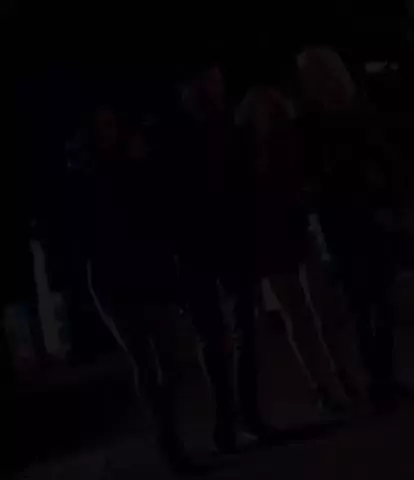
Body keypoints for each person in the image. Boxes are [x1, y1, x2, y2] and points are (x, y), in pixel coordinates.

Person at [172, 63, 280, 451]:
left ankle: (238, 417)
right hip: (207, 243)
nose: (214, 87)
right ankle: (235, 417)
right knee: (225, 334)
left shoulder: (222, 127)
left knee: (234, 332)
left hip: (223, 241)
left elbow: (251, 178)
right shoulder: (194, 132)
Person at [295, 47, 407, 412]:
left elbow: (382, 155)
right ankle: (377, 379)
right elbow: (313, 171)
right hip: (343, 214)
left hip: (365, 209)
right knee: (362, 302)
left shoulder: (352, 111)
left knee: (381, 300)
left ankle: (383, 375)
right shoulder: (312, 120)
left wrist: (387, 195)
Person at [81, 106, 191, 472]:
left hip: (149, 270)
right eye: (102, 126)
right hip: (116, 277)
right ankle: (168, 440)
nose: (109, 131)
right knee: (145, 359)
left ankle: (169, 434)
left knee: (168, 359)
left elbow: (161, 209)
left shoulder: (135, 164)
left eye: (112, 123)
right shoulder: (90, 173)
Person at [235, 84, 355, 412]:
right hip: (270, 236)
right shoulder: (246, 151)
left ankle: (339, 377)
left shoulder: (289, 142)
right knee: (298, 312)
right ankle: (325, 385)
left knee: (320, 306)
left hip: (295, 228)